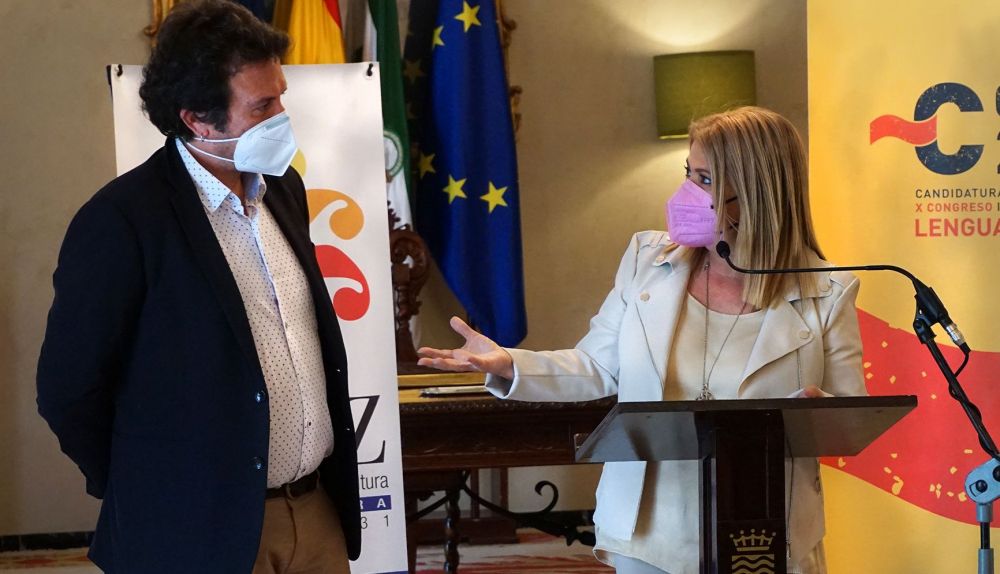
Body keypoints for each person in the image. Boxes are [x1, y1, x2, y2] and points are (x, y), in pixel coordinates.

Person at [418, 106, 866, 574]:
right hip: (650, 532)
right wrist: (508, 363)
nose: (687, 192)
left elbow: (852, 418)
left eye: (706, 180)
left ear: (757, 191)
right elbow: (597, 366)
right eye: (689, 173)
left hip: (766, 530)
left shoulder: (827, 291)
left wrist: (817, 415)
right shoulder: (647, 260)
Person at [36, 1, 360, 572]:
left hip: (314, 512)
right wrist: (147, 483)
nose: (282, 116)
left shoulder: (285, 190)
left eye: (280, 97)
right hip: (194, 528)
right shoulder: (122, 220)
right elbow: (69, 389)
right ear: (197, 120)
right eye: (262, 106)